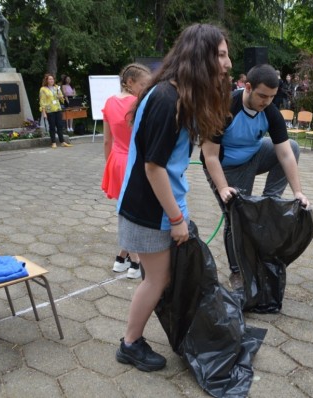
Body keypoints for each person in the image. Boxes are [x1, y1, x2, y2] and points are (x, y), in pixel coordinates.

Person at [115, 23, 232, 372]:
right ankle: (130, 344)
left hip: (158, 206)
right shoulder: (168, 99)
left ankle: (135, 339)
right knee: (157, 279)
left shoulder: (177, 94)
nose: (227, 64)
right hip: (147, 210)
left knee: (159, 278)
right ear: (201, 56)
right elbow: (154, 168)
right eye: (221, 55)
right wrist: (177, 219)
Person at [201, 64, 310, 290]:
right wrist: (222, 188)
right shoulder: (224, 108)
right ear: (247, 87)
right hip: (226, 167)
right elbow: (209, 155)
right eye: (262, 96)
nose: (266, 102)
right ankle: (238, 272)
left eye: (271, 97)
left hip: (255, 155)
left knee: (293, 146)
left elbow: (285, 154)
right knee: (236, 215)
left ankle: (269, 201)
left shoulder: (270, 111)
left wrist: (298, 192)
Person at [101, 64, 151, 278]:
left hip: (115, 160)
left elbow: (106, 140)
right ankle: (135, 261)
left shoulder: (109, 102)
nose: (145, 88)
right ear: (130, 82)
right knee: (133, 213)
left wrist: (109, 165)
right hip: (133, 162)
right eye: (142, 84)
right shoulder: (138, 104)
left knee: (125, 210)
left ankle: (121, 258)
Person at [39, 73, 72, 148]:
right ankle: (53, 142)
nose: (51, 80)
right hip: (50, 110)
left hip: (58, 109)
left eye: (52, 79)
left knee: (60, 126)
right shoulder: (43, 89)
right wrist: (44, 112)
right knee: (52, 126)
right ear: (46, 80)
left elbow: (61, 98)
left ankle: (62, 142)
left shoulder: (57, 87)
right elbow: (42, 101)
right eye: (50, 79)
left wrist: (61, 97)